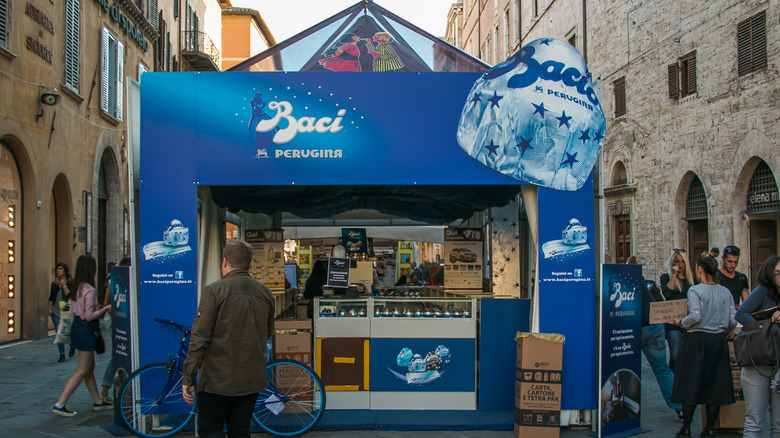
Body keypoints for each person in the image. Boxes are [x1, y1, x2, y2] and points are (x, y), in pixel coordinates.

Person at [182, 240, 275, 438]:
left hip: (218, 379)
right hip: (251, 379)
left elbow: (199, 338)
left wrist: (188, 376)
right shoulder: (265, 293)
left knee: (210, 429)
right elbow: (268, 332)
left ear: (224, 262)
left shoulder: (214, 291)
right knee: (240, 430)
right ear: (250, 265)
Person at [670, 253, 737, 438]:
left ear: (700, 269)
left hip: (697, 340)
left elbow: (695, 316)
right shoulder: (725, 291)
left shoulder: (695, 290)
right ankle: (709, 428)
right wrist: (726, 328)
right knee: (715, 383)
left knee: (690, 382)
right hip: (718, 341)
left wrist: (680, 323)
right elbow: (732, 320)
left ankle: (686, 429)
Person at [52, 255, 112, 417]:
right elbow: (88, 315)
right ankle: (61, 403)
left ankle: (98, 401)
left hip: (77, 328)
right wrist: (105, 309)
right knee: (82, 370)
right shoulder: (89, 290)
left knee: (89, 369)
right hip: (86, 330)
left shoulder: (76, 287)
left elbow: (74, 308)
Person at [735, 255, 780, 438]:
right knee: (755, 421)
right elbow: (742, 313)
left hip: (778, 364)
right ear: (769, 275)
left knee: (778, 424)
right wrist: (765, 325)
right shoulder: (763, 291)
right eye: (776, 273)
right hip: (759, 359)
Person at [641, 278, 683, 419]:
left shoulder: (617, 280)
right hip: (655, 325)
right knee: (662, 369)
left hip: (638, 327)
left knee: (620, 367)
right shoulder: (639, 279)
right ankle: (681, 406)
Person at [99, 257, 130, 402]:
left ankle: (111, 389)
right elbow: (108, 301)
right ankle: (105, 389)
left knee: (117, 355)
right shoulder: (117, 279)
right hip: (119, 320)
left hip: (118, 320)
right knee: (116, 356)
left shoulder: (116, 279)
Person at [660, 248, 695, 372]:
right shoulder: (666, 278)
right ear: (672, 263)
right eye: (676, 262)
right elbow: (667, 294)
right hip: (672, 320)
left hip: (688, 320)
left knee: (688, 356)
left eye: (682, 262)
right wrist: (674, 275)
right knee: (675, 355)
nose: (679, 265)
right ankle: (674, 381)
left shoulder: (691, 280)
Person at [48, 262, 72, 362]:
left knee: (67, 332)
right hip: (56, 311)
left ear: (65, 271)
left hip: (66, 311)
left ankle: (72, 346)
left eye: (60, 269)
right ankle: (62, 354)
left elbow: (70, 295)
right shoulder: (54, 283)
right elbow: (51, 297)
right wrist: (49, 308)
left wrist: (64, 285)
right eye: (57, 269)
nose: (58, 271)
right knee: (59, 333)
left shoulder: (70, 282)